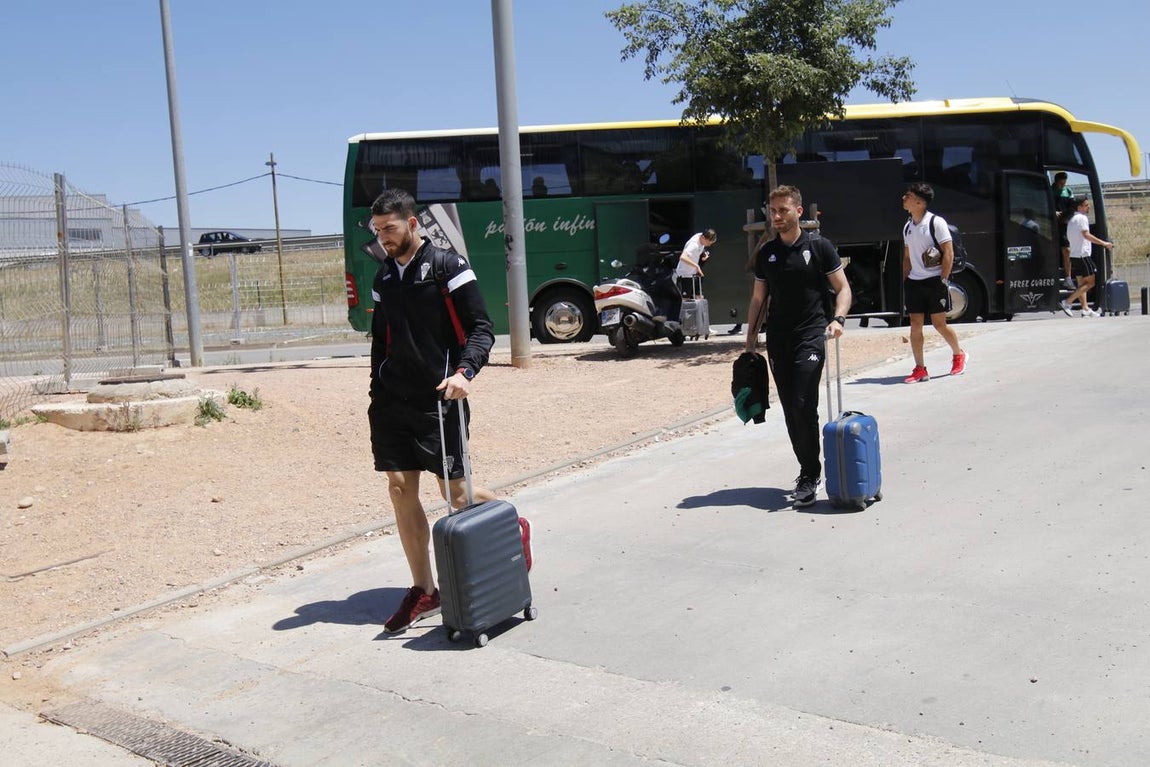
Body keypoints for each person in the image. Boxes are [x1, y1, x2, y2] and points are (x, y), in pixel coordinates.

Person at [367, 188, 502, 634]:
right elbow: (380, 342)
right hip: (392, 403)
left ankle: (503, 520)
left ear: (412, 223)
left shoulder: (448, 267)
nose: (383, 236)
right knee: (400, 489)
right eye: (377, 229)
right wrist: (376, 392)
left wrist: (465, 373)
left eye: (390, 228)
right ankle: (424, 589)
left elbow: (482, 328)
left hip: (439, 399)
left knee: (456, 497)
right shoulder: (384, 278)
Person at [743, 186, 851, 509]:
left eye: (782, 211)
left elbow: (843, 288)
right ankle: (807, 470)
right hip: (779, 338)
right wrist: (750, 341)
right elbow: (759, 299)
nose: (776, 217)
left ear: (799, 212)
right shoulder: (767, 254)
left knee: (804, 400)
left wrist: (839, 319)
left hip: (811, 334)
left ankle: (810, 473)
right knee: (791, 407)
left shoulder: (819, 247)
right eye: (772, 211)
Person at [901, 183, 967, 384]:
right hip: (914, 282)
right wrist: (905, 278)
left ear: (919, 202)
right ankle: (920, 368)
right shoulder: (907, 226)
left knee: (940, 324)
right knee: (915, 325)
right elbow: (907, 256)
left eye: (909, 196)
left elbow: (948, 252)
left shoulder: (936, 223)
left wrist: (943, 279)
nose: (904, 198)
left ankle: (958, 355)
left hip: (934, 281)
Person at [1059, 196, 1113, 317]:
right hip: (1083, 255)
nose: (1088, 207)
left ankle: (1085, 308)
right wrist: (1104, 243)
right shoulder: (1082, 218)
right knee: (1091, 282)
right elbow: (1086, 235)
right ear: (1079, 207)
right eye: (1086, 205)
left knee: (1081, 284)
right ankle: (1067, 302)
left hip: (1074, 255)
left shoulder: (1072, 219)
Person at [675, 228, 716, 298]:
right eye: (708, 243)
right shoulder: (693, 245)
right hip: (685, 274)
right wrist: (696, 266)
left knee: (699, 296)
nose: (709, 245)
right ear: (703, 238)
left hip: (694, 273)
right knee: (686, 299)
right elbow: (682, 257)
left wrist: (703, 254)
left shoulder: (700, 236)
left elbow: (701, 247)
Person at [1052, 171, 1077, 288]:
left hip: (1064, 224)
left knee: (1067, 250)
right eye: (1061, 183)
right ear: (1056, 181)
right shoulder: (1049, 190)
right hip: (1051, 224)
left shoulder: (1068, 192)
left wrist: (1067, 217)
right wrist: (1053, 212)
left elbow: (1072, 208)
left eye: (1064, 183)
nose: (1063, 185)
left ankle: (1068, 278)